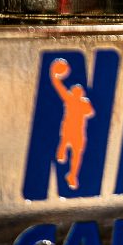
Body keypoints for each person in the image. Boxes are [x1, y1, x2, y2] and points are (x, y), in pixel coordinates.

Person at [50, 58, 96, 190]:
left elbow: (90, 112)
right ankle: (62, 151)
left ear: (81, 94)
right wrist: (54, 75)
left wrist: (83, 105)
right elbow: (59, 87)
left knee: (76, 155)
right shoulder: (70, 99)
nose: (76, 94)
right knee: (66, 143)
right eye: (75, 92)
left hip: (78, 133)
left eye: (78, 92)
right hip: (69, 130)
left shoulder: (81, 103)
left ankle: (72, 175)